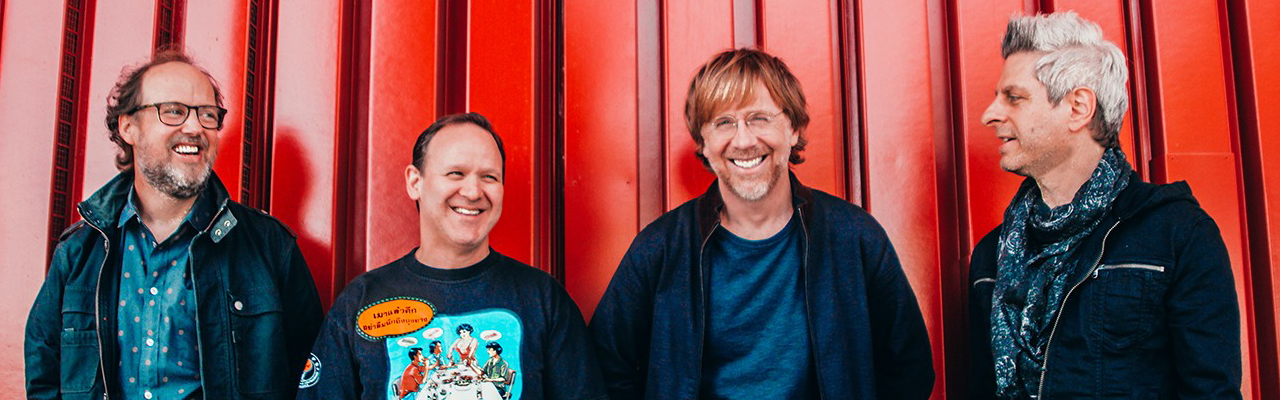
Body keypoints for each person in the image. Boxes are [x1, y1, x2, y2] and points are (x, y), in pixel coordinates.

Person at [589, 48, 934, 399]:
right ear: (703, 143)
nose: (744, 140)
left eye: (759, 118)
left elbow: (909, 368)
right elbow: (604, 368)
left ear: (793, 129)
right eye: (724, 122)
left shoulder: (854, 236)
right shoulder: (660, 248)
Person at [969, 12, 1242, 399]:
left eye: (1014, 97)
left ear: (1078, 107)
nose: (990, 114)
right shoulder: (991, 257)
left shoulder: (1177, 236)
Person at [23, 50, 324, 399]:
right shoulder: (79, 252)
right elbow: (44, 377)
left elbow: (313, 383)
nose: (195, 128)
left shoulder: (271, 249)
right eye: (174, 111)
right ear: (129, 127)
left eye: (207, 115)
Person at [298, 112, 606, 399]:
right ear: (415, 182)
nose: (473, 192)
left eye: (489, 177)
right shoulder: (360, 301)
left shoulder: (543, 298)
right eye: (456, 173)